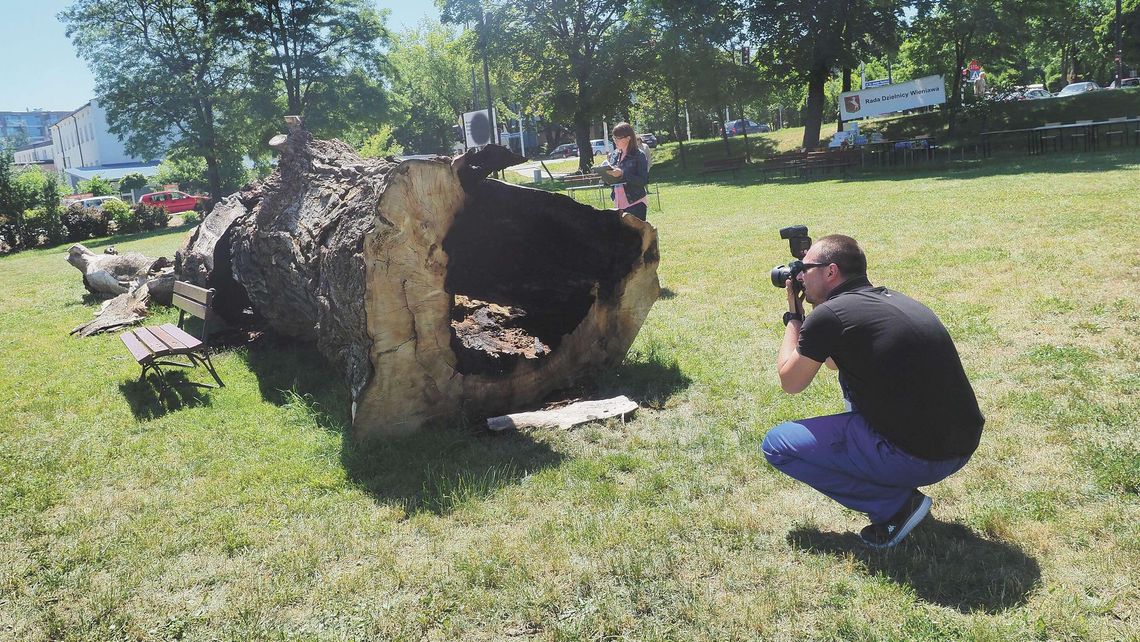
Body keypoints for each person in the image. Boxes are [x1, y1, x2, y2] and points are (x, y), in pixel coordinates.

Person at [762, 235, 984, 548]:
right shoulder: (891, 298)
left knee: (777, 444)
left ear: (831, 272)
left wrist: (794, 317)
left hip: (921, 457)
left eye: (806, 269)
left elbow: (791, 381)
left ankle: (894, 507)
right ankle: (889, 476)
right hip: (961, 445)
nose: (799, 277)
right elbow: (831, 363)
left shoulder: (830, 316)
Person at [601, 122, 650, 221]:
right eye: (614, 138)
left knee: (634, 236)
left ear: (628, 138)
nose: (615, 141)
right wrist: (603, 175)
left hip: (636, 203)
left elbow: (643, 180)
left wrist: (623, 174)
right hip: (618, 204)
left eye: (618, 138)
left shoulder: (638, 155)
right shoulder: (614, 155)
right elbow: (612, 181)